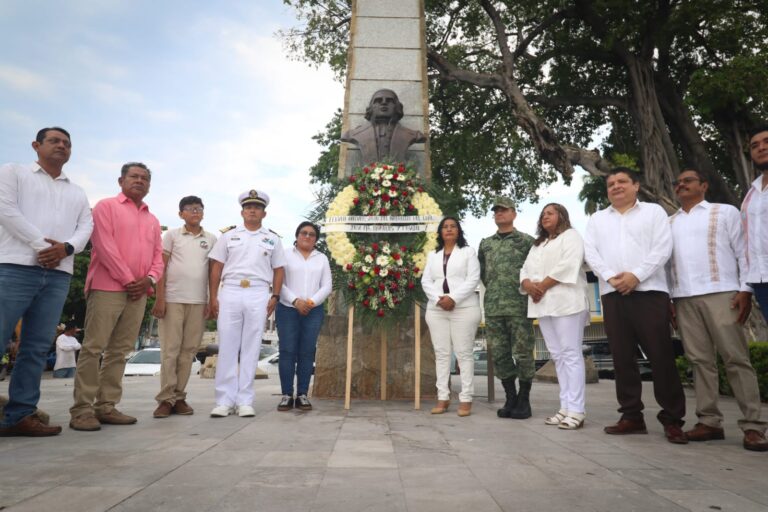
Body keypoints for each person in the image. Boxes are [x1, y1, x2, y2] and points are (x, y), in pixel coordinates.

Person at [0, 127, 93, 437]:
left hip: (58, 274)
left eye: (67, 143)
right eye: (54, 141)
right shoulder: (14, 173)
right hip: (15, 266)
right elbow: (6, 211)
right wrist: (44, 246)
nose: (62, 146)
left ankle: (20, 415)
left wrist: (65, 249)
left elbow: (85, 227)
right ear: (36, 145)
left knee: (37, 347)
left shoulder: (76, 192)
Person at [584, 167, 687, 444]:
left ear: (636, 185)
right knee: (622, 357)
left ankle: (672, 419)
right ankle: (631, 416)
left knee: (660, 354)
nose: (616, 187)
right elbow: (591, 253)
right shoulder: (597, 219)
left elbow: (662, 248)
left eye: (622, 182)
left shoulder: (653, 213)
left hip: (650, 292)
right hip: (612, 293)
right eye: (611, 184)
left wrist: (636, 275)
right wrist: (610, 277)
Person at [669, 169, 767, 451]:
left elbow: (742, 251)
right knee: (700, 361)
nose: (681, 185)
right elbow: (665, 264)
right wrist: (669, 300)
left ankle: (753, 426)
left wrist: (745, 290)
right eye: (678, 182)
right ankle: (709, 421)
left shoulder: (724, 212)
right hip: (684, 297)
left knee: (736, 359)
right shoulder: (670, 222)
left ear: (704, 184)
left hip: (722, 292)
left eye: (688, 180)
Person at [69, 162, 163, 431]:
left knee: (119, 351)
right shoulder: (106, 207)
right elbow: (104, 246)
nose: (139, 181)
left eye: (145, 178)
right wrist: (128, 279)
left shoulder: (152, 219)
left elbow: (158, 257)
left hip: (138, 292)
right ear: (121, 180)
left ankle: (106, 405)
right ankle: (82, 410)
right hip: (107, 287)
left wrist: (149, 279)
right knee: (93, 347)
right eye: (134, 176)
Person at [208, 189, 285, 418]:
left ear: (264, 213)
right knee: (228, 347)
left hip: (258, 292)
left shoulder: (272, 238)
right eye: (249, 207)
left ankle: (245, 400)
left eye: (257, 207)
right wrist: (213, 297)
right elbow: (216, 267)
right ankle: (224, 400)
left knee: (251, 347)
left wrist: (275, 296)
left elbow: (279, 269)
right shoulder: (228, 236)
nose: (253, 210)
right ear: (242, 211)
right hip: (230, 290)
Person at [520, 204, 590, 429]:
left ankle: (577, 410)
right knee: (558, 356)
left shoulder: (571, 236)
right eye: (542, 214)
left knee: (571, 354)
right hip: (544, 305)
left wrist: (541, 286)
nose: (545, 217)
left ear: (562, 215)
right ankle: (565, 407)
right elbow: (525, 270)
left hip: (567, 302)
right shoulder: (538, 244)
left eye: (550, 213)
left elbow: (568, 265)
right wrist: (529, 285)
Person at [151, 196, 217, 418]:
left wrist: (212, 300)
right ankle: (165, 399)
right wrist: (160, 299)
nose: (195, 212)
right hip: (172, 299)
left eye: (198, 209)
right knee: (170, 351)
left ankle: (179, 397)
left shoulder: (211, 239)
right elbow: (161, 266)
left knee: (188, 352)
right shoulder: (171, 235)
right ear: (181, 214)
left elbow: (212, 273)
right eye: (189, 209)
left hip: (198, 302)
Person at [478, 197, 536, 420]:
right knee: (500, 354)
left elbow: (533, 270)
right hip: (493, 306)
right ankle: (510, 397)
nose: (499, 214)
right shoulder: (486, 244)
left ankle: (524, 399)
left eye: (504, 210)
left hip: (519, 306)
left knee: (522, 353)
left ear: (514, 214)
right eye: (496, 211)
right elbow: (483, 274)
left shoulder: (527, 242)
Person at [422, 217, 481, 417]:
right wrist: (439, 299)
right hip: (437, 309)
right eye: (445, 227)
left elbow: (473, 279)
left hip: (463, 308)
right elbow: (426, 281)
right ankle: (443, 397)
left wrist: (453, 298)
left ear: (458, 231)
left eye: (452, 226)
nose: (448, 229)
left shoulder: (468, 252)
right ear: (440, 232)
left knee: (464, 354)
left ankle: (466, 399)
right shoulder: (432, 254)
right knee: (441, 354)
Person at [275, 221, 332, 412]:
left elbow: (327, 286)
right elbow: (277, 281)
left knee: (307, 352)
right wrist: (295, 300)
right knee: (287, 351)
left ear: (316, 239)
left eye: (311, 234)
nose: (307, 237)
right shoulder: (284, 254)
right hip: (287, 308)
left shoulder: (321, 258)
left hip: (313, 310)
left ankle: (302, 395)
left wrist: (310, 302)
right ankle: (286, 395)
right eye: (303, 233)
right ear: (297, 235)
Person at [340, 88, 426, 162]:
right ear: (371, 107)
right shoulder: (353, 134)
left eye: (389, 101)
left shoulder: (414, 135)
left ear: (397, 107)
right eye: (378, 101)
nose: (384, 103)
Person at [741, 125, 768, 321]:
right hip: (761, 280)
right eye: (755, 145)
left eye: (767, 142)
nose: (761, 148)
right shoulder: (752, 194)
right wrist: (747, 287)